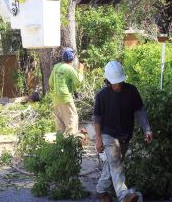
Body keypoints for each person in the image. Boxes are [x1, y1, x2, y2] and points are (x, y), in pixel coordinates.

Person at [93, 61, 153, 202]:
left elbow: (140, 111)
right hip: (108, 134)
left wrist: (147, 129)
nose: (118, 85)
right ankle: (124, 195)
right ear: (107, 80)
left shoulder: (132, 91)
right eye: (115, 83)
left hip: (125, 134)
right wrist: (98, 139)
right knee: (116, 163)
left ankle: (101, 190)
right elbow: (97, 118)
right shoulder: (102, 95)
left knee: (113, 163)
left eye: (120, 82)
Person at [49, 47, 84, 135]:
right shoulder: (69, 68)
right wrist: (81, 70)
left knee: (60, 123)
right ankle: (70, 143)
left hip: (56, 98)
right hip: (65, 98)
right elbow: (79, 80)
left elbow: (50, 82)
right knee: (72, 118)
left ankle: (60, 144)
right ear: (72, 58)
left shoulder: (56, 66)